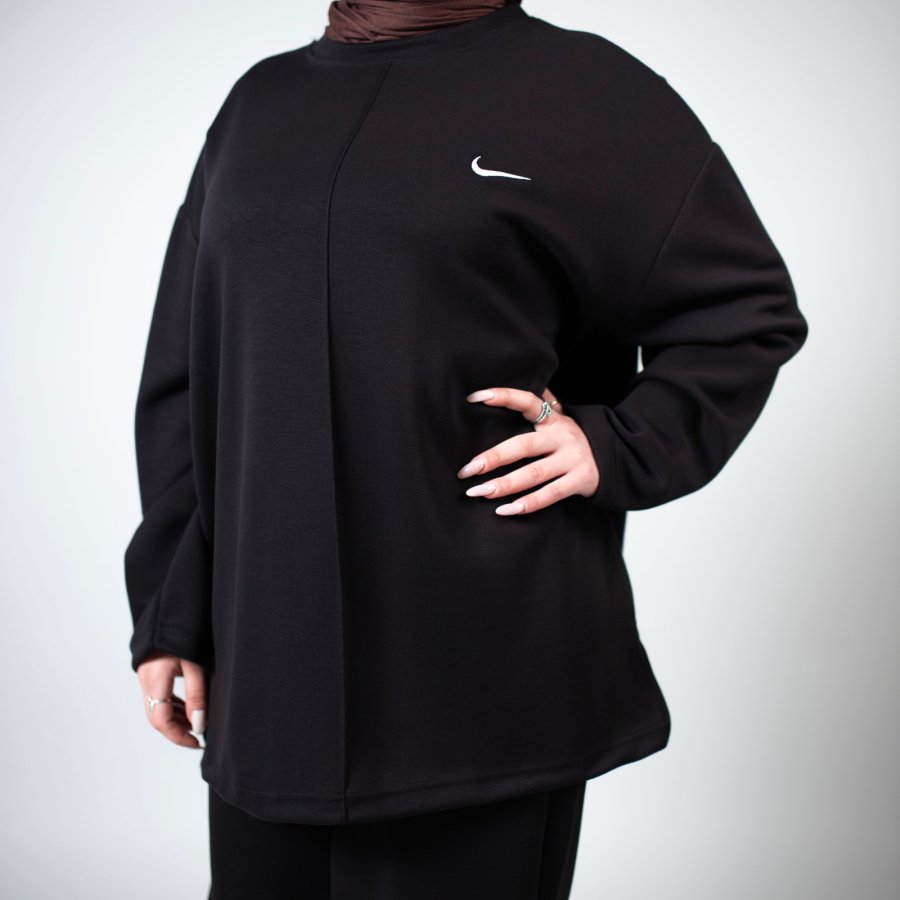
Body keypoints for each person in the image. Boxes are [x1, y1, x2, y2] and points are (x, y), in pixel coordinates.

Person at [125, 1, 809, 896]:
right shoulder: (261, 103)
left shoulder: (587, 90)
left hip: (484, 666)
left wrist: (617, 442)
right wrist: (173, 610)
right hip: (272, 669)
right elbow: (187, 374)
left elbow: (745, 311)